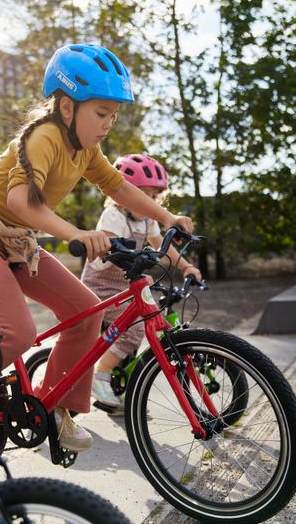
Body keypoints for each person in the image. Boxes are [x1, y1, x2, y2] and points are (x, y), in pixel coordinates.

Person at [0, 43, 194, 454]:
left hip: (17, 243)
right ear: (67, 107)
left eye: (113, 116)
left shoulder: (85, 148)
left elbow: (117, 185)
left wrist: (166, 217)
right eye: (101, 114)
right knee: (18, 331)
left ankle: (55, 408)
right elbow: (19, 201)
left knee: (87, 314)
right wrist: (76, 233)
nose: (107, 125)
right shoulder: (44, 136)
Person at [81, 155, 202, 412]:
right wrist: (113, 246)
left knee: (146, 320)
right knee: (135, 328)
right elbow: (107, 244)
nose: (147, 202)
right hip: (101, 284)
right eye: (141, 195)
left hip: (127, 282)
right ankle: (100, 375)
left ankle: (119, 384)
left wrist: (186, 266)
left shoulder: (148, 220)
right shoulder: (113, 215)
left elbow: (163, 247)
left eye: (152, 197)